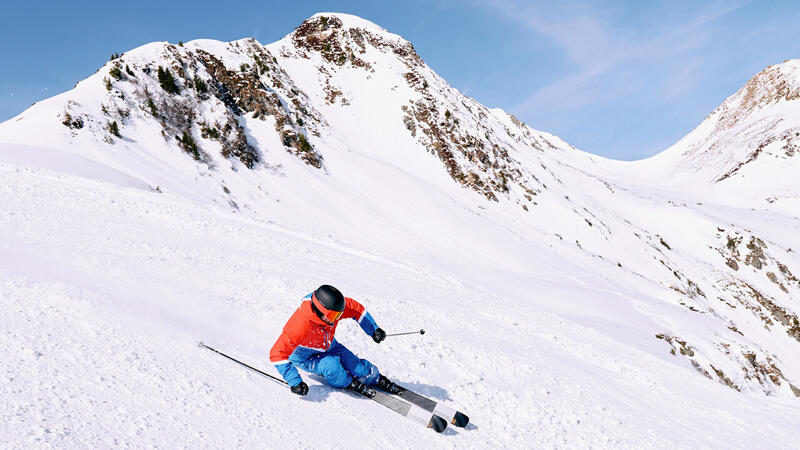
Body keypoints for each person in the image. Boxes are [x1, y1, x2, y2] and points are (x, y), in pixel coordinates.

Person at [269, 285, 402, 397]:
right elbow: (277, 354)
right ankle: (348, 383)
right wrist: (295, 381)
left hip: (329, 346)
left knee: (359, 369)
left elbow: (356, 309)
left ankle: (375, 377)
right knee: (332, 366)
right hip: (305, 357)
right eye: (333, 315)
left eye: (338, 315)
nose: (336, 319)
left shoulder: (332, 310)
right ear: (319, 311)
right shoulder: (299, 326)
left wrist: (374, 329)